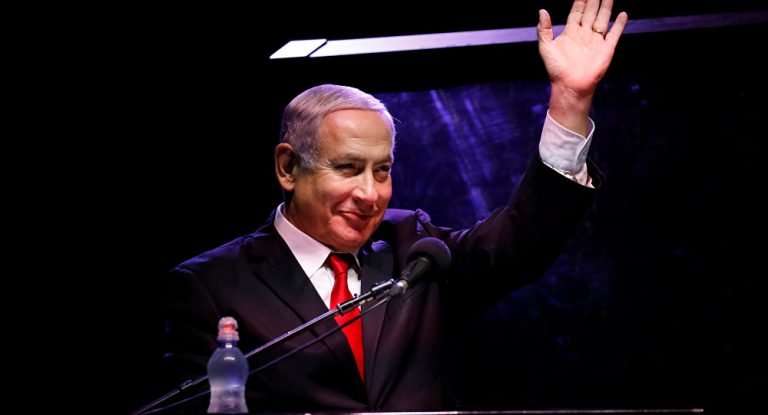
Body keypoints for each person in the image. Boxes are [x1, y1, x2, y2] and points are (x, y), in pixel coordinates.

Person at [159, 0, 628, 412]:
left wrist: (570, 100)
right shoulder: (210, 286)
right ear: (288, 167)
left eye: (381, 170)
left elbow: (518, 243)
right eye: (348, 168)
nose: (370, 194)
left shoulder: (416, 249)